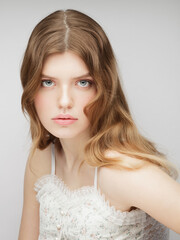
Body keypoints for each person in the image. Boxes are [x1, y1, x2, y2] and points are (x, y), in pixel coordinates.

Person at [18, 9, 180, 240]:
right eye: (48, 82)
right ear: (30, 86)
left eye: (82, 82)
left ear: (104, 87)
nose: (64, 101)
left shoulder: (125, 172)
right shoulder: (42, 159)